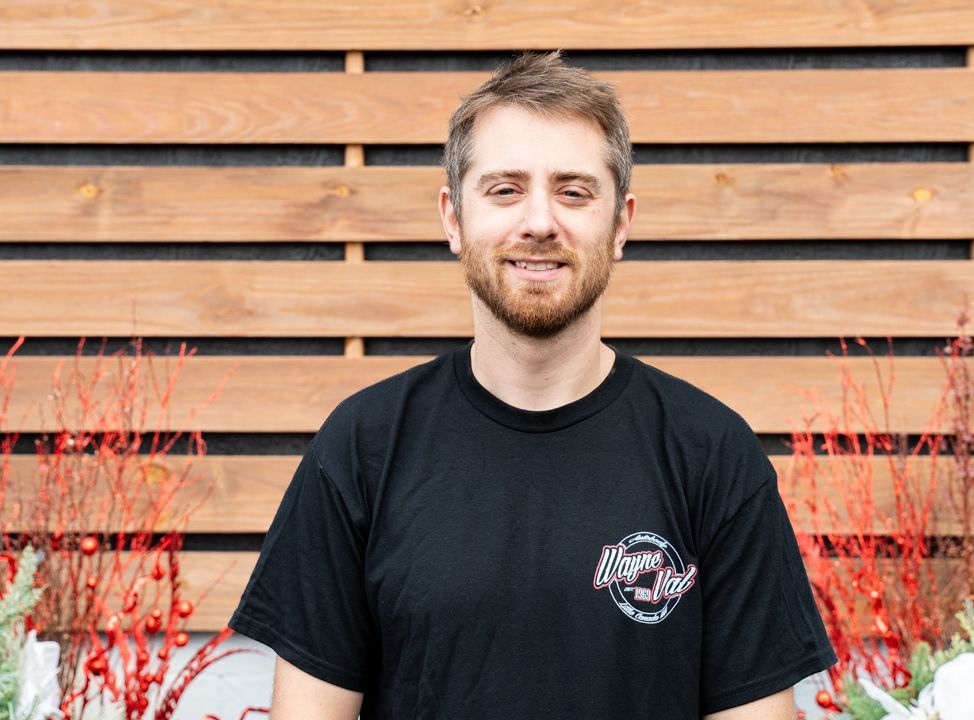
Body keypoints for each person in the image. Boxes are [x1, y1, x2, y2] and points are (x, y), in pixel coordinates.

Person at [228, 51, 838, 719]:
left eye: (574, 191)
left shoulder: (712, 454)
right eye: (504, 189)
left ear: (622, 223)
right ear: (453, 218)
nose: (540, 222)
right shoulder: (363, 449)